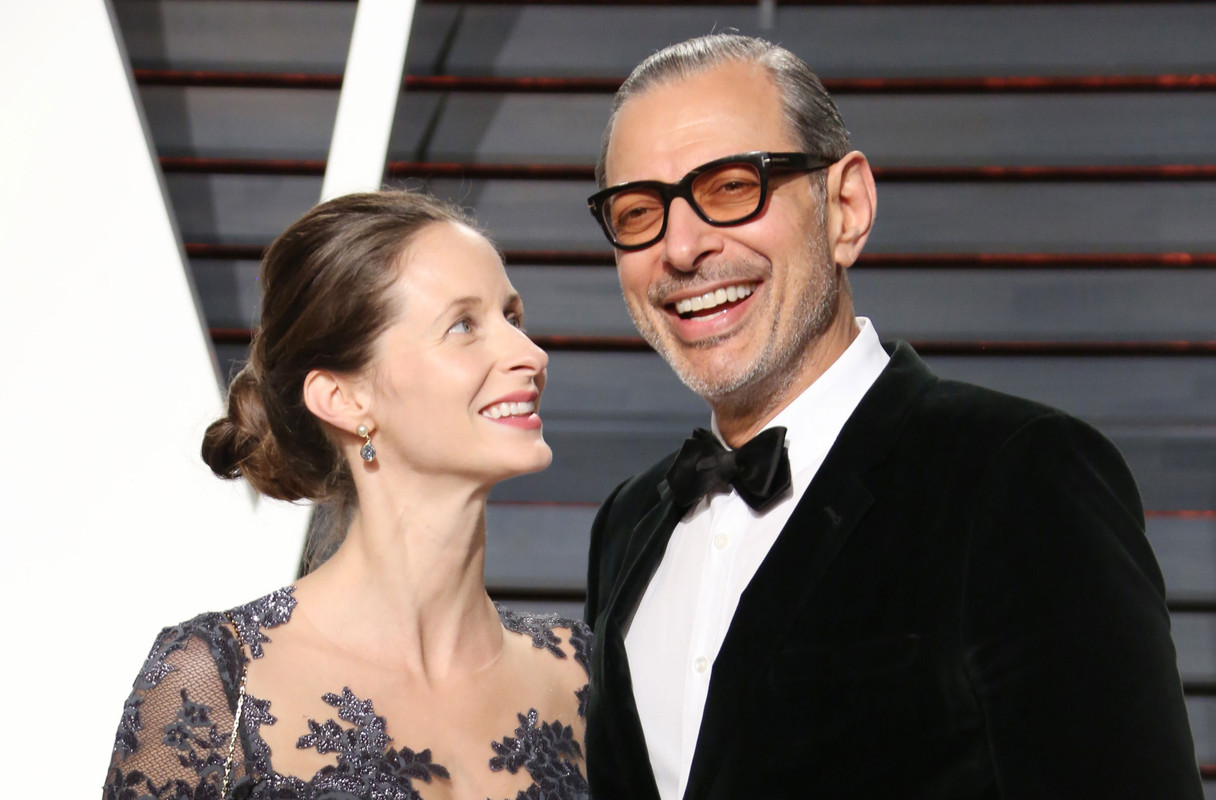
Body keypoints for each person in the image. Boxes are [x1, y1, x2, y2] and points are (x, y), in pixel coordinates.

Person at [581, 33, 1202, 800]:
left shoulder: (1019, 476)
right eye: (639, 211)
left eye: (732, 187)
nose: (680, 247)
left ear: (846, 208)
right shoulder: (627, 525)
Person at [102, 191, 591, 800]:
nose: (530, 355)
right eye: (464, 325)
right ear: (343, 398)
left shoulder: (577, 672)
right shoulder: (219, 681)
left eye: (512, 318)